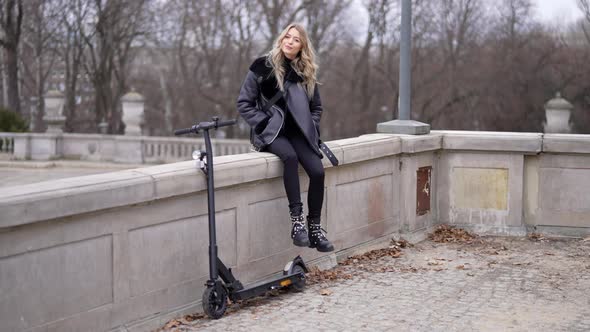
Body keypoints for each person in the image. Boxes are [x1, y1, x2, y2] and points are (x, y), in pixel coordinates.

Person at [237, 23, 334, 252]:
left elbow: (316, 107)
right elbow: (244, 103)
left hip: (299, 133)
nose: (290, 42)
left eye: (296, 39)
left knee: (318, 172)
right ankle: (297, 223)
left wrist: (311, 126)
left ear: (302, 46)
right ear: (281, 39)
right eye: (287, 37)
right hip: (272, 133)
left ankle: (314, 229)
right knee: (289, 158)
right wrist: (263, 123)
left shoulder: (305, 72)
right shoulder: (262, 67)